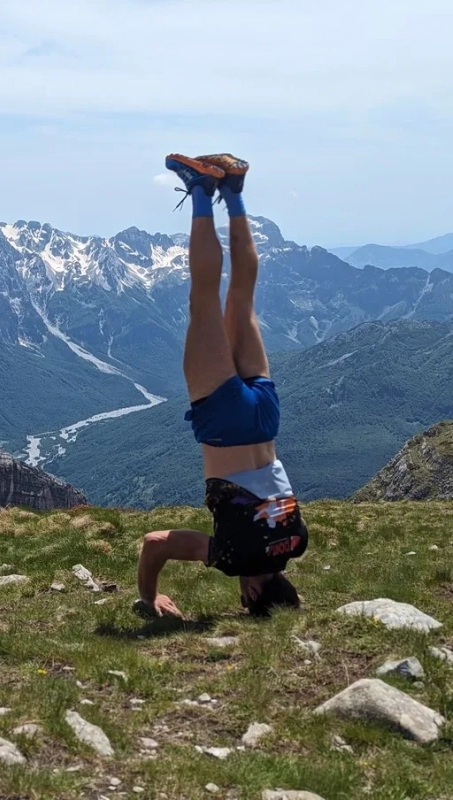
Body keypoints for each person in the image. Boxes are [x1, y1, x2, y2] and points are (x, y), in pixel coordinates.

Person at [134, 153, 308, 619]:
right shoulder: (235, 558)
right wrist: (150, 597)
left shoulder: (296, 543)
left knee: (242, 299)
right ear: (250, 597)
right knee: (204, 298)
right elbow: (155, 543)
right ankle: (200, 190)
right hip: (224, 423)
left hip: (265, 418)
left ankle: (233, 192)